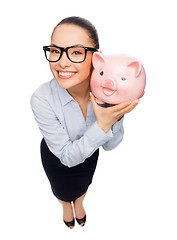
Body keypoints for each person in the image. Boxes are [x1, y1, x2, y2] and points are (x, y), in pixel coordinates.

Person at [30, 16, 140, 229]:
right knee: (61, 190)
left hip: (89, 156)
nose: (62, 62)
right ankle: (65, 206)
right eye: (55, 50)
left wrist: (113, 113)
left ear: (97, 57)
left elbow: (110, 145)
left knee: (82, 186)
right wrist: (102, 125)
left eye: (76, 52)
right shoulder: (41, 98)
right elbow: (66, 157)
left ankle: (79, 203)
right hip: (56, 158)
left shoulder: (110, 92)